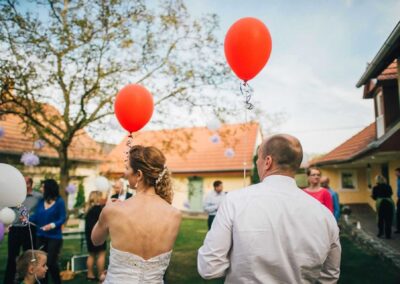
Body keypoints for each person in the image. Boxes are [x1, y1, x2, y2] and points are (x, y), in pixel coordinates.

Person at [197, 134, 341, 283]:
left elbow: (210, 267)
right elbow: (330, 276)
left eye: (258, 158)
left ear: (267, 162)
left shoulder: (234, 201)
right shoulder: (325, 214)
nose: (257, 163)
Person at [92, 145, 182, 283]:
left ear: (139, 175)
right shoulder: (175, 215)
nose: (125, 173)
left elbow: (96, 240)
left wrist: (105, 212)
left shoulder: (113, 210)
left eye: (127, 168)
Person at [4, 176, 42, 284]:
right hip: (15, 229)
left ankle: (30, 279)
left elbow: (42, 211)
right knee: (12, 256)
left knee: (29, 256)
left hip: (30, 229)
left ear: (29, 184)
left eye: (24, 183)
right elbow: (6, 210)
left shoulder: (38, 197)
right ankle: (10, 280)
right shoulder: (14, 196)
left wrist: (31, 218)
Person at [30, 179, 66, 284]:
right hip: (40, 237)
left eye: (43, 187)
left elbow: (62, 217)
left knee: (50, 262)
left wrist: (52, 225)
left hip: (54, 237)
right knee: (40, 263)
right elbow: (36, 216)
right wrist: (26, 219)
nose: (41, 189)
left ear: (49, 189)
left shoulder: (59, 201)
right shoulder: (41, 202)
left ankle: (57, 281)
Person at [85, 191, 106, 281]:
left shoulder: (88, 208)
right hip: (98, 234)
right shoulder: (99, 209)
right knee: (101, 254)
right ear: (98, 198)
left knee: (91, 255)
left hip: (89, 235)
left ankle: (90, 274)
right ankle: (100, 274)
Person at [371, 175, 394, 239]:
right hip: (389, 202)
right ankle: (388, 234)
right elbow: (391, 193)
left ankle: (380, 232)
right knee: (388, 219)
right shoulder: (388, 186)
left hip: (380, 204)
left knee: (380, 219)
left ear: (377, 180)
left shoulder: (375, 187)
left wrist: (373, 196)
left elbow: (374, 197)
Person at [395, 168, 400, 233]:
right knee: (398, 214)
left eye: (396, 172)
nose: (395, 174)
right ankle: (398, 229)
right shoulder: (398, 179)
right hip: (399, 198)